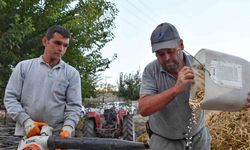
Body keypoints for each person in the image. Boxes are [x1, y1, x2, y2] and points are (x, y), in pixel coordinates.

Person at [138, 22, 211, 150]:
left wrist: (241, 99)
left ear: (181, 45)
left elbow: (221, 89)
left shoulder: (199, 65)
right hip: (165, 140)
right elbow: (144, 108)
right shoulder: (151, 70)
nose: (166, 58)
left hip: (198, 137)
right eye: (160, 54)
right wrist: (176, 89)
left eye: (170, 51)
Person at [4, 25, 82, 138]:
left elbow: (74, 106)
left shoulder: (71, 74)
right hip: (27, 134)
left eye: (65, 45)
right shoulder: (23, 67)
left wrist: (68, 128)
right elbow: (10, 98)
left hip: (57, 136)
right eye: (57, 43)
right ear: (45, 41)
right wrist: (26, 122)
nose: (61, 49)